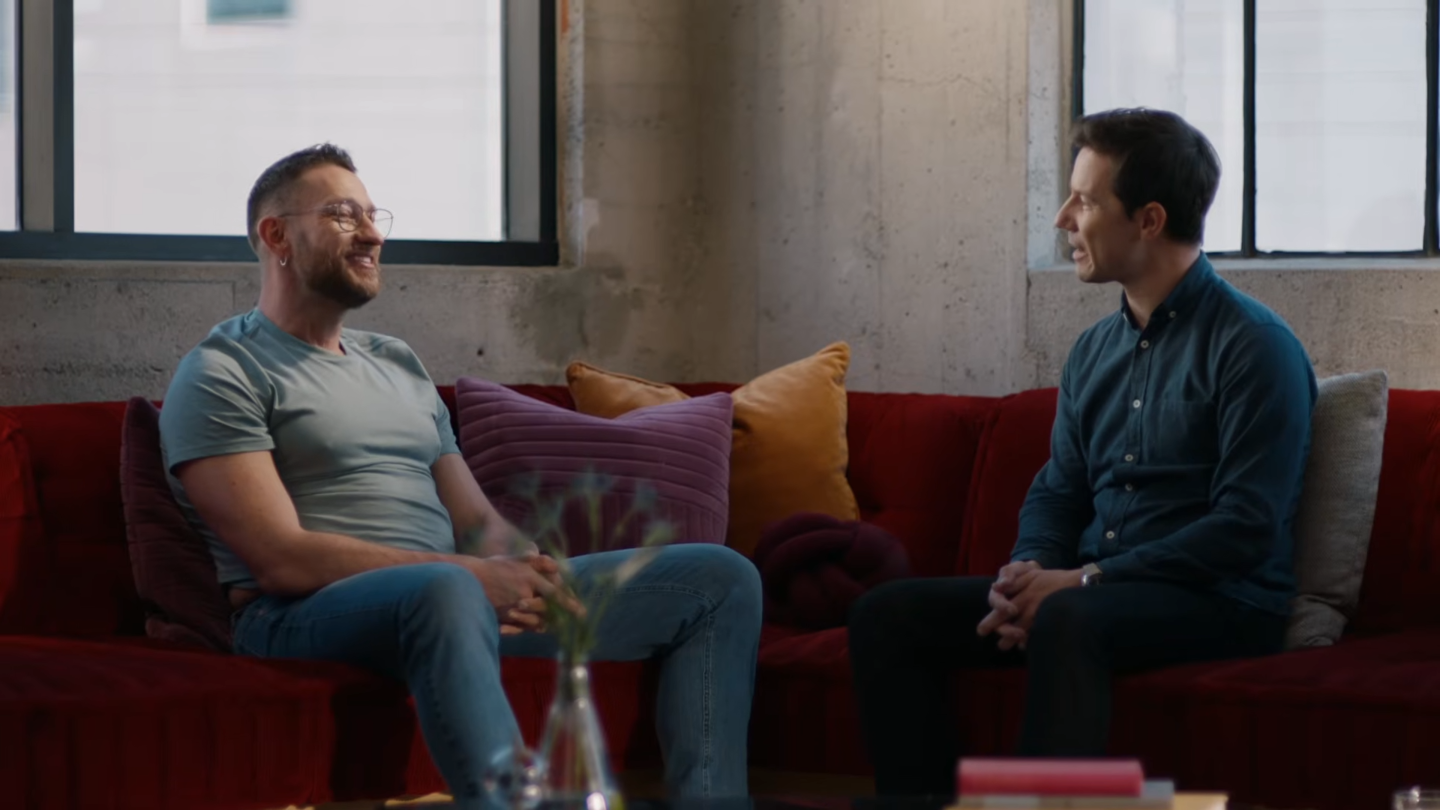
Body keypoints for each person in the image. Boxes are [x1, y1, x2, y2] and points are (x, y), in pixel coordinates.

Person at [158, 144, 763, 807]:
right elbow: (280, 559)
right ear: (276, 235)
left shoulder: (397, 361)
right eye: (342, 215)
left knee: (718, 578)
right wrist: (471, 577)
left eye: (373, 215)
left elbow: (476, 522)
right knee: (447, 588)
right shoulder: (222, 371)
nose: (372, 234)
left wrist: (523, 574)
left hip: (452, 599)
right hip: (300, 614)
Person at [848, 108, 1317, 796]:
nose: (1062, 219)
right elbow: (1059, 488)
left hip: (1220, 601)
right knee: (885, 615)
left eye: (1085, 201)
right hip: (1089, 593)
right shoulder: (1094, 350)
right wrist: (1031, 572)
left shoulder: (1255, 346)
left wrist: (1086, 580)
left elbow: (1245, 527)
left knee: (1068, 618)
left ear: (1149, 220)